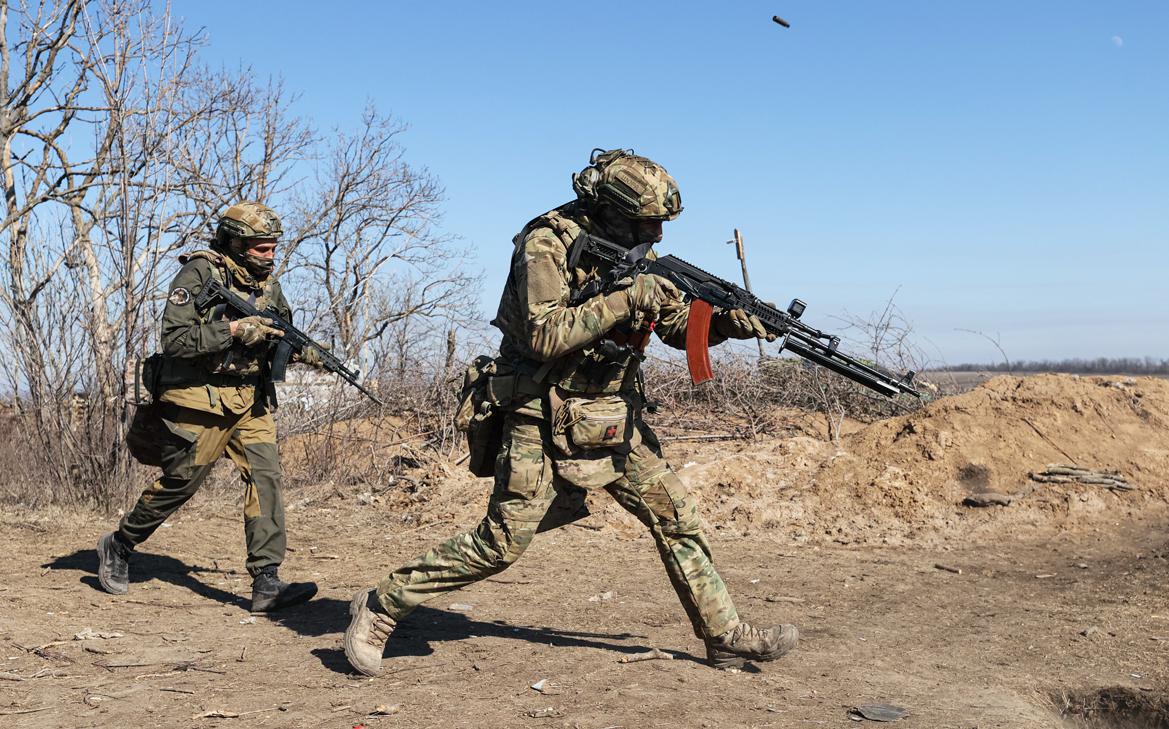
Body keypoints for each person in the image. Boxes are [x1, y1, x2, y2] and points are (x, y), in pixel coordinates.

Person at [344, 149, 798, 675]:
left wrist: (724, 324)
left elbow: (676, 327)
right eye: (647, 221)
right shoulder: (546, 244)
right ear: (609, 210)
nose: (657, 232)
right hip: (541, 409)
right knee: (502, 543)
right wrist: (628, 300)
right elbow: (543, 335)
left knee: (677, 519)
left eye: (660, 223)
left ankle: (724, 635)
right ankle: (382, 605)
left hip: (612, 413)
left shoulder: (636, 251)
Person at [97, 201, 322, 612]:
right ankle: (120, 543)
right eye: (261, 249)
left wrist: (302, 352)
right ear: (235, 243)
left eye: (273, 248)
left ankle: (267, 580)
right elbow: (176, 340)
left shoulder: (268, 286)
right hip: (202, 399)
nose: (270, 257)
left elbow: (279, 334)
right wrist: (234, 329)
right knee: (182, 482)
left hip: (249, 401)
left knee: (265, 478)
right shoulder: (199, 272)